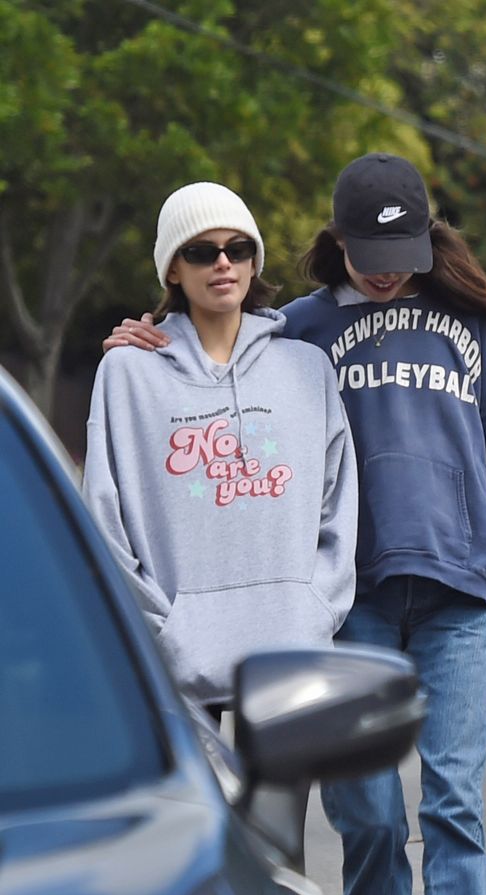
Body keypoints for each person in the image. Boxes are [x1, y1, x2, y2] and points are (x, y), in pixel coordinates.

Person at [107, 154, 486, 895]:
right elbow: (216, 361)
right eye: (371, 252)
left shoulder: (473, 328)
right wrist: (149, 336)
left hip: (459, 601)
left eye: (405, 251)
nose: (389, 270)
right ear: (338, 242)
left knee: (454, 805)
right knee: (368, 825)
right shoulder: (299, 335)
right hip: (349, 611)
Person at [83, 181, 358, 812]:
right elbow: (104, 513)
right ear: (173, 269)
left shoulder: (306, 368)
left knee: (281, 843)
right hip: (177, 650)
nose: (223, 263)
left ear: (255, 261)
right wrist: (159, 627)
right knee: (199, 842)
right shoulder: (127, 371)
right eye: (202, 252)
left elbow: (338, 502)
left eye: (237, 247)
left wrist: (316, 606)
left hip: (287, 641)